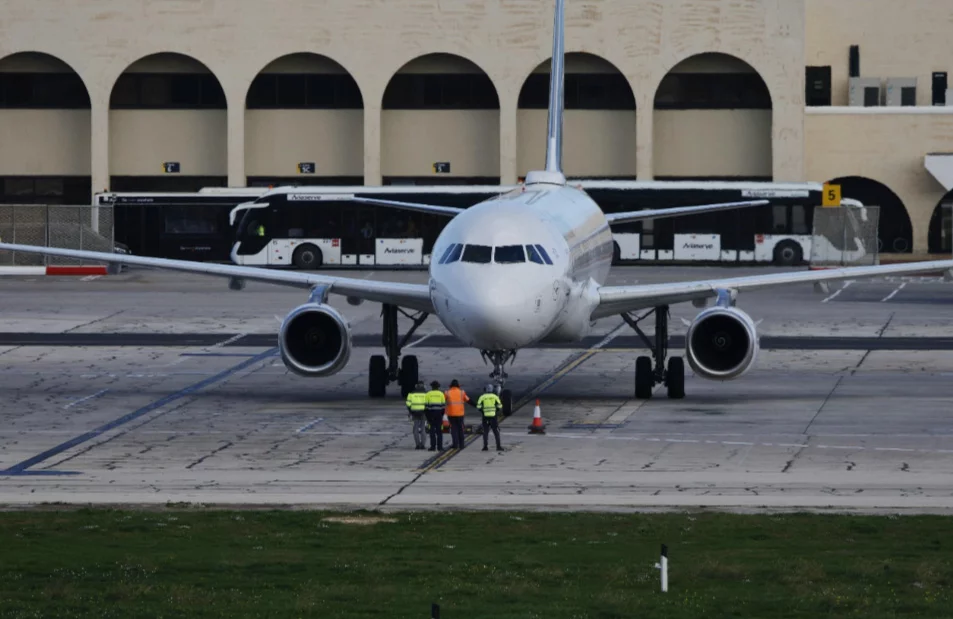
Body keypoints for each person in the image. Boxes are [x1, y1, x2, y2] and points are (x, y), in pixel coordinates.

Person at [476, 384, 503, 452]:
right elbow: (500, 406)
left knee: (485, 432)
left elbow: (478, 406)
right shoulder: (495, 397)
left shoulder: (482, 397)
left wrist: (483, 411)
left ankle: (485, 447)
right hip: (493, 416)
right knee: (496, 431)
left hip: (485, 416)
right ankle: (498, 446)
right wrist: (495, 411)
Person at [444, 379, 470, 450]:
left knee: (454, 429)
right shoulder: (462, 392)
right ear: (458, 385)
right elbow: (468, 400)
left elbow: (442, 401)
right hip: (460, 414)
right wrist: (476, 405)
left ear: (450, 385)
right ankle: (462, 445)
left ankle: (455, 445)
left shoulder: (447, 392)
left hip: (451, 414)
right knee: (460, 429)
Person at [424, 380, 446, 452]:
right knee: (439, 432)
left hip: (431, 414)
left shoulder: (428, 394)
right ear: (438, 387)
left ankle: (433, 447)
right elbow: (443, 406)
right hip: (439, 414)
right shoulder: (441, 394)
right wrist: (441, 414)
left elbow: (426, 406)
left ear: (432, 387)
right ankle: (440, 447)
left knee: (432, 431)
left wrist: (428, 417)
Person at [405, 381, 428, 450]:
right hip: (423, 413)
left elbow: (408, 404)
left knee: (415, 429)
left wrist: (411, 411)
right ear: (424, 386)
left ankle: (417, 445)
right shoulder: (426, 394)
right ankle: (423, 445)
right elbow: (428, 404)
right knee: (423, 428)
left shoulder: (411, 394)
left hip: (414, 412)